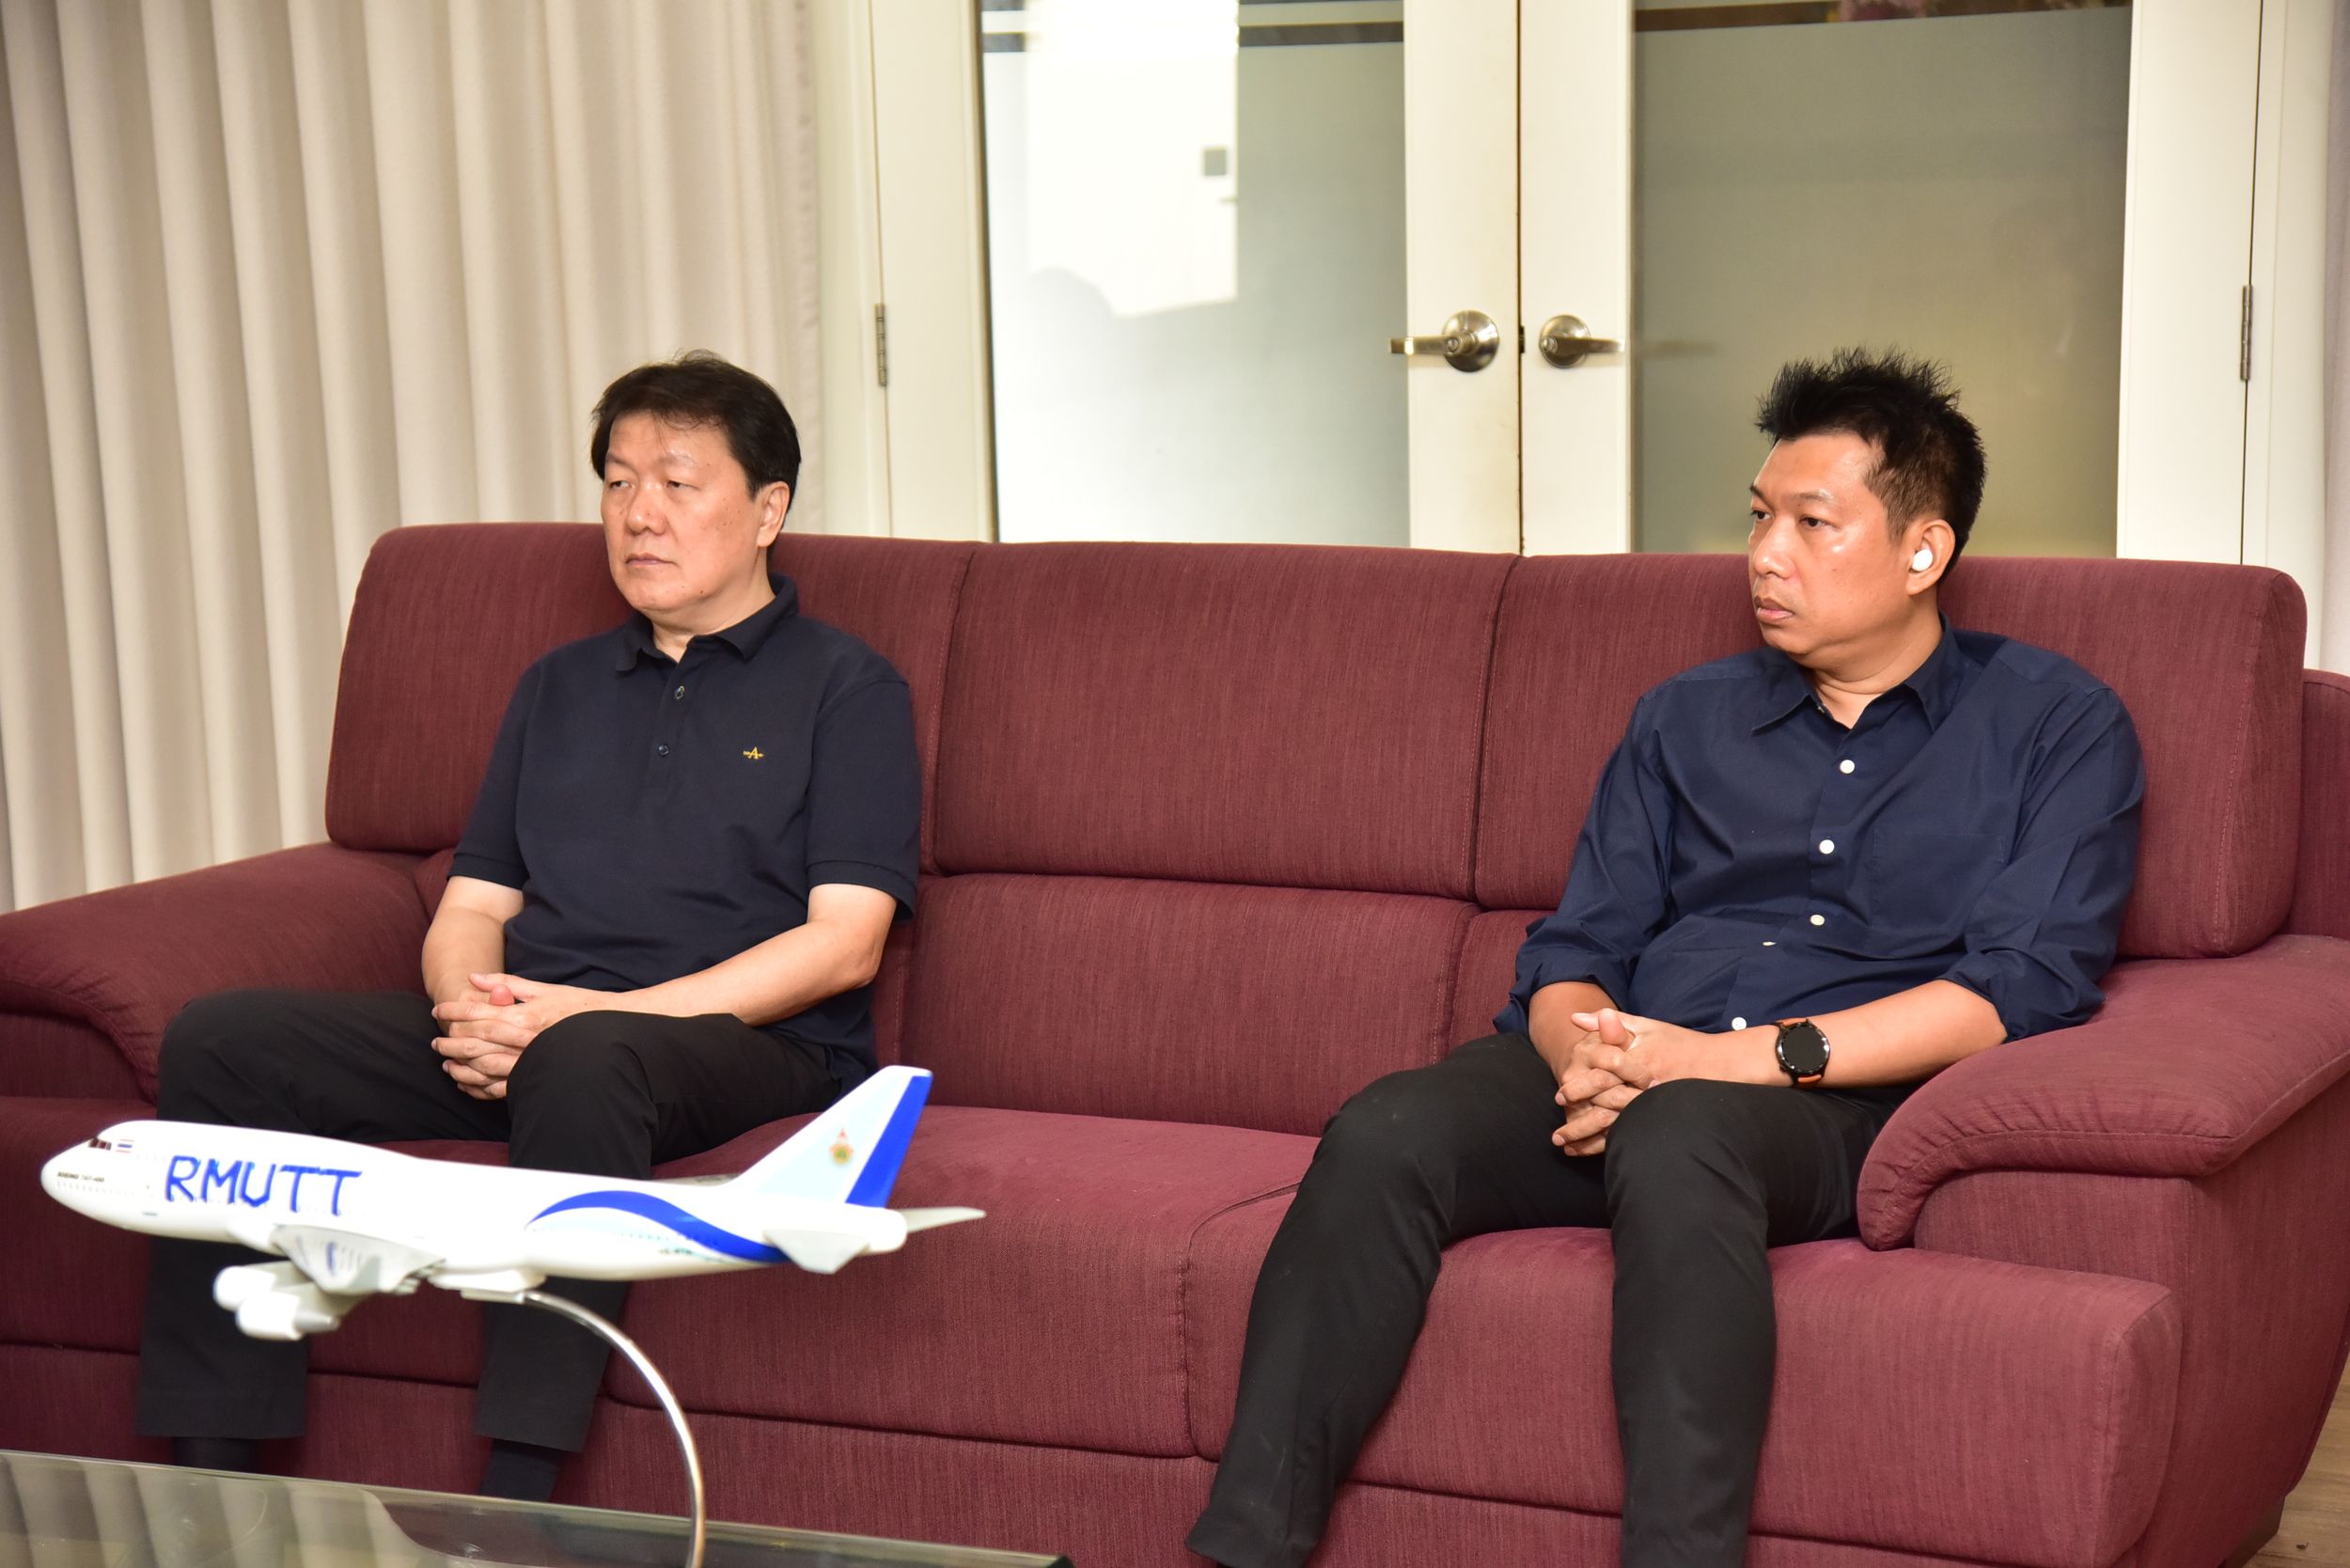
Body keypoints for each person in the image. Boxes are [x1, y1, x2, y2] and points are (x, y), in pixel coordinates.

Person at [1186, 349, 2145, 1568]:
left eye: (1810, 523)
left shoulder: (2056, 725)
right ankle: (1249, 1549)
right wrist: (1593, 1057)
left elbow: (2020, 985)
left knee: (1683, 1131)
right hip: (1630, 1058)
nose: (1765, 555)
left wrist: (1717, 1064)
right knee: (1388, 1129)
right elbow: (1575, 946)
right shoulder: (1684, 717)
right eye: (1757, 517)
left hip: (1831, 1098)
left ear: (1923, 551)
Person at [134, 352, 920, 1502]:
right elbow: (474, 904)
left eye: (676, 482)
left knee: (588, 1057)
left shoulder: (848, 688)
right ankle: (208, 1482)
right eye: (617, 481)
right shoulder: (558, 685)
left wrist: (584, 1019)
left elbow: (844, 942)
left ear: (768, 511)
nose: (638, 513)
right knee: (225, 1042)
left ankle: (519, 1494)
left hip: (740, 1046)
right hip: (533, 1034)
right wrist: (475, 1008)